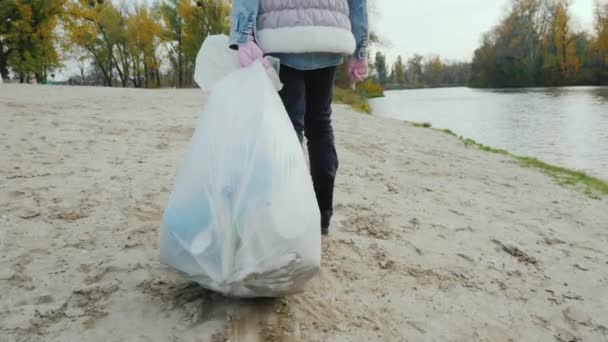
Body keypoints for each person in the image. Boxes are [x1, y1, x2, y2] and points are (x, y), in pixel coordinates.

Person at [230, 0, 369, 236]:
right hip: (330, 33)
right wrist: (360, 50)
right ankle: (322, 214)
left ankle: (288, 211)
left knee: (288, 126)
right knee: (321, 124)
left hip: (281, 33)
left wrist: (244, 36)